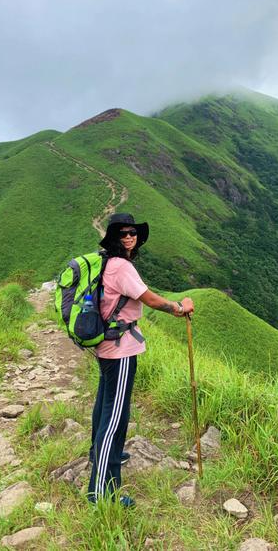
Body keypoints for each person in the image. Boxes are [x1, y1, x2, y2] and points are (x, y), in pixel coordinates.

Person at [88, 212, 195, 507]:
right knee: (115, 414)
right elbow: (149, 299)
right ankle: (100, 494)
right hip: (120, 349)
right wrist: (179, 307)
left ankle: (103, 454)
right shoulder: (121, 266)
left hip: (108, 345)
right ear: (113, 238)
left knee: (105, 405)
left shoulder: (108, 262)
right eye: (122, 233)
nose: (129, 237)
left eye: (132, 232)